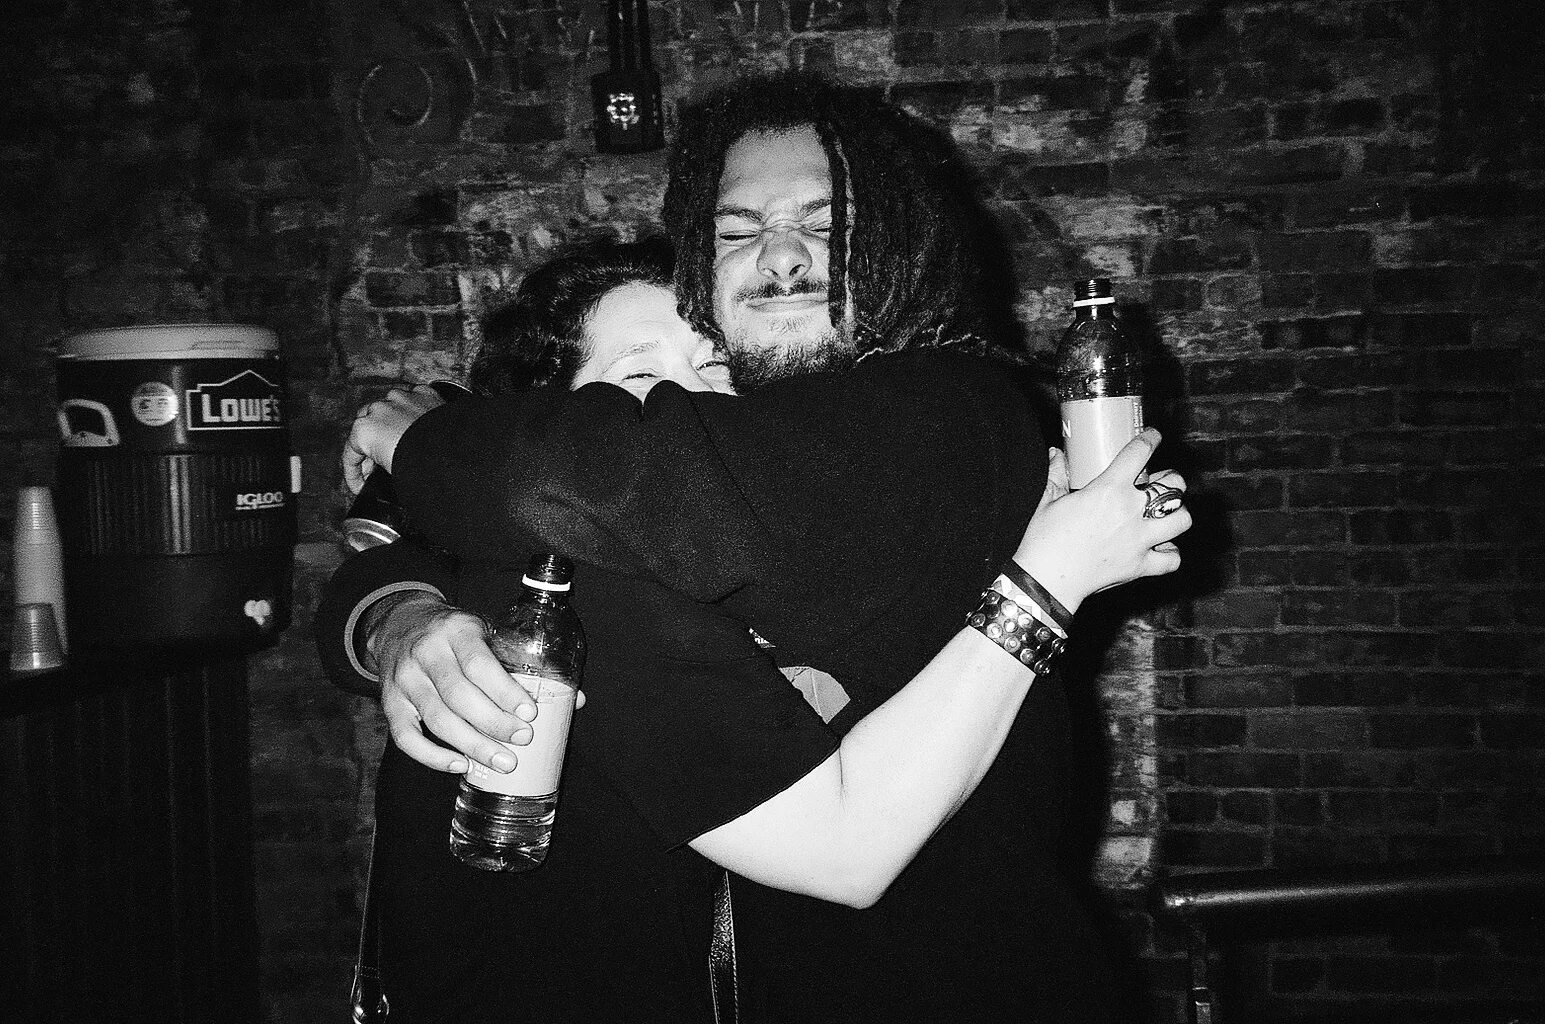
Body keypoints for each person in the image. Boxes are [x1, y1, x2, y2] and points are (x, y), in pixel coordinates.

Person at [325, 73, 1190, 1022]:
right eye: (637, 389)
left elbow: (847, 843)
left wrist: (416, 448)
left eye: (826, 224)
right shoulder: (583, 559)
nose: (779, 256)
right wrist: (396, 611)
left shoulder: (940, 417)